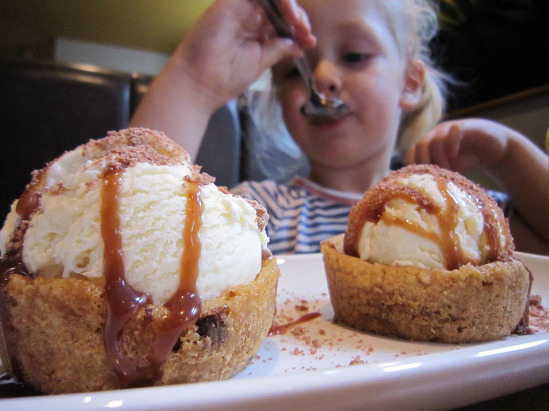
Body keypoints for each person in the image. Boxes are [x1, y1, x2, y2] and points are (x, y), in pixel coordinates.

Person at [130, 0, 548, 255]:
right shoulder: (256, 210)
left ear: (410, 82)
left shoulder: (457, 213)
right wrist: (193, 82)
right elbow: (136, 235)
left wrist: (509, 154)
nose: (322, 78)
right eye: (295, 73)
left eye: (354, 56)